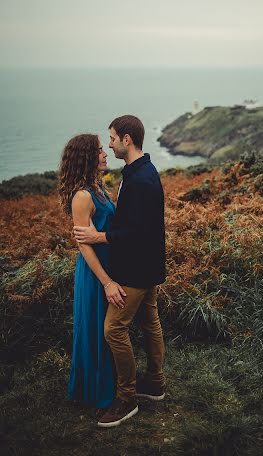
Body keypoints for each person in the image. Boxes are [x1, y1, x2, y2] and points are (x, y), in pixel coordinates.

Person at [73, 114, 166, 428]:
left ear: (127, 139)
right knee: (150, 320)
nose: (108, 145)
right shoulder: (140, 170)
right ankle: (155, 383)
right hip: (147, 264)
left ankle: (126, 398)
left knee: (113, 329)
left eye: (111, 139)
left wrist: (100, 237)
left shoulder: (140, 179)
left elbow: (137, 230)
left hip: (136, 268)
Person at [59, 133, 125, 410]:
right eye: (99, 150)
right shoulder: (83, 196)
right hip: (95, 273)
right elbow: (84, 246)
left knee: (106, 331)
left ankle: (110, 384)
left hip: (108, 266)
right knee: (97, 330)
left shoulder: (97, 187)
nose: (105, 153)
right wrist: (107, 282)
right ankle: (96, 392)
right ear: (86, 157)